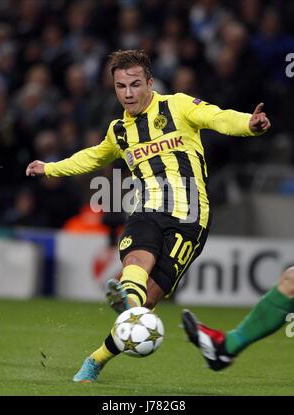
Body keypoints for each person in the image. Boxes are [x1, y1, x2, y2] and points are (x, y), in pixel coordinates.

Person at [26, 49, 293, 382]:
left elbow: (218, 117)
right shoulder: (119, 132)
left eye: (135, 85)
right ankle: (126, 306)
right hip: (147, 208)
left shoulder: (177, 105)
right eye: (121, 86)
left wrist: (249, 125)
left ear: (150, 83)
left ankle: (102, 351)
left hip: (190, 216)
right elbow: (92, 158)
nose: (128, 93)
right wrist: (50, 167)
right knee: (136, 261)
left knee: (149, 298)